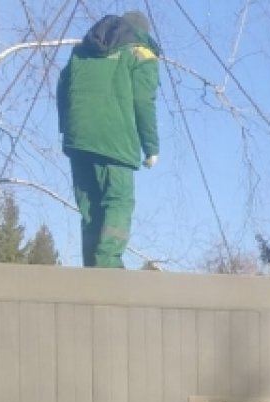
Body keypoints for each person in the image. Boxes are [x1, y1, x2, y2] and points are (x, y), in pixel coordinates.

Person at [56, 11, 161, 268]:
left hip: (78, 140)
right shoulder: (141, 53)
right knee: (118, 200)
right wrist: (151, 146)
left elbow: (62, 87)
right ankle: (108, 264)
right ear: (141, 33)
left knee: (90, 207)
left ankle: (93, 269)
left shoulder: (83, 50)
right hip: (115, 143)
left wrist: (67, 128)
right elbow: (143, 101)